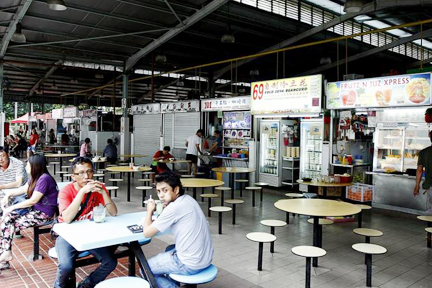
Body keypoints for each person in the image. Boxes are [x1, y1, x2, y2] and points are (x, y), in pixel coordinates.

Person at [54, 157, 118, 288]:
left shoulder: (97, 188)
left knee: (110, 262)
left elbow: (113, 212)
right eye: (81, 173)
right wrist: (82, 192)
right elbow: (66, 219)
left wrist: (104, 193)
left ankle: (86, 284)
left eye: (89, 172)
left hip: (90, 233)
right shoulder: (66, 191)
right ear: (73, 176)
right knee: (66, 266)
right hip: (67, 234)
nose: (86, 176)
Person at [144, 171, 214, 288]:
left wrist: (149, 211)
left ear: (176, 190)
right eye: (158, 191)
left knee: (145, 269)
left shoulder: (174, 207)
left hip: (189, 263)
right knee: (170, 248)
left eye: (165, 190)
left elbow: (147, 233)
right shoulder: (188, 199)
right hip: (206, 258)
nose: (161, 195)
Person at [0, 155, 58, 272]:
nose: (26, 166)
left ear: (35, 166)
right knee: (6, 220)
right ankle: (5, 253)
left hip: (43, 214)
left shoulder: (44, 179)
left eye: (28, 164)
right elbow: (24, 189)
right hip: (34, 211)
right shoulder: (35, 177)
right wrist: (8, 195)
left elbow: (33, 200)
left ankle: (5, 256)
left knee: (7, 224)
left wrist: (11, 208)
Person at [0, 147, 28, 215]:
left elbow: (18, 183)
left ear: (8, 154)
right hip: (2, 192)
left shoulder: (17, 164)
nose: (0, 159)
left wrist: (1, 187)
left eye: (2, 156)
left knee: (19, 209)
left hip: (17, 192)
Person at [414, 131, 432, 212]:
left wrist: (417, 186)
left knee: (430, 210)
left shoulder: (424, 152)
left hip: (430, 186)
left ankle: (429, 224)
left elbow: (419, 170)